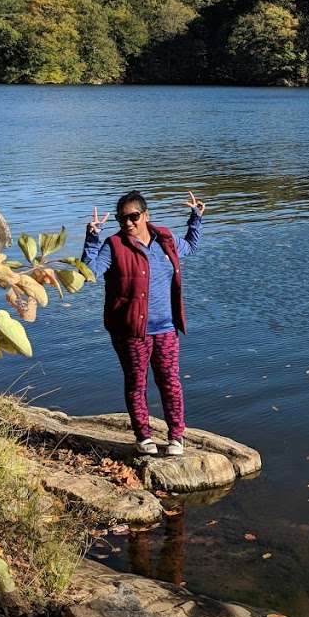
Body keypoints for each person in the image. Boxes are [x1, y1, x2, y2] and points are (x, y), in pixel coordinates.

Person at [81, 189, 205, 456]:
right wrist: (92, 238)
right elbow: (89, 273)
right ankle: (143, 436)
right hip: (130, 331)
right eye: (121, 219)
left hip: (166, 328)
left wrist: (195, 218)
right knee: (136, 383)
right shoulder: (114, 245)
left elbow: (191, 246)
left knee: (170, 382)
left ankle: (176, 436)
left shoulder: (165, 240)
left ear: (145, 215)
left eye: (133, 217)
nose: (127, 223)